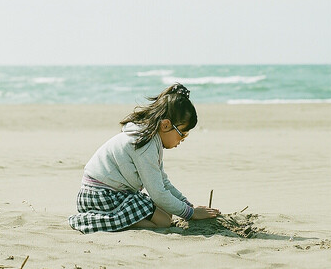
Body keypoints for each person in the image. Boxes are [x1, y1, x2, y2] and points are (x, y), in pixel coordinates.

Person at [68, 83, 220, 233]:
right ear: (166, 125)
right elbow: (158, 193)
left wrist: (188, 206)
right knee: (164, 221)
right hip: (101, 196)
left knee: (166, 212)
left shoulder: (152, 140)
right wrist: (191, 214)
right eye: (182, 134)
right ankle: (113, 221)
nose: (182, 140)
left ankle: (124, 219)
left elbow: (163, 182)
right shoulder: (145, 145)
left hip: (113, 192)